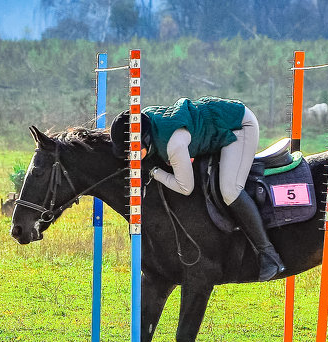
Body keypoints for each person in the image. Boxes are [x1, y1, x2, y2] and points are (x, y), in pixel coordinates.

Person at [110, 96, 286, 281]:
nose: (132, 159)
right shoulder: (145, 120)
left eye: (134, 152)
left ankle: (268, 254)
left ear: (144, 138)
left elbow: (185, 187)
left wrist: (154, 171)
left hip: (239, 127)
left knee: (230, 191)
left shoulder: (173, 144)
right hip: (216, 120)